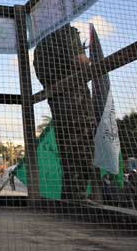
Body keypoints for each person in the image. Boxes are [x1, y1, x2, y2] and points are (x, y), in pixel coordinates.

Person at [33, 24, 96, 201]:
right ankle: (78, 197)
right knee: (84, 144)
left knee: (67, 148)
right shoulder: (66, 32)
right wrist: (91, 60)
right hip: (76, 97)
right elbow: (79, 59)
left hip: (57, 99)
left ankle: (70, 196)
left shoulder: (40, 44)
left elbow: (41, 73)